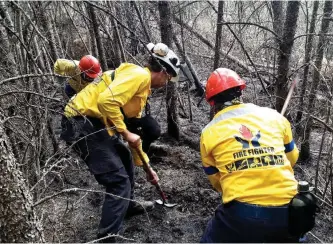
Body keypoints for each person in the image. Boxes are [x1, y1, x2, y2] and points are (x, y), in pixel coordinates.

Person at [60, 42, 180, 241]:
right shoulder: (140, 76)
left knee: (124, 156)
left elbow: (135, 140)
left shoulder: (140, 90)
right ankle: (106, 239)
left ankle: (128, 205)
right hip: (80, 121)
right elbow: (106, 101)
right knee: (118, 182)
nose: (166, 82)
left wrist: (148, 168)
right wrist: (125, 133)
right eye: (168, 77)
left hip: (96, 123)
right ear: (161, 71)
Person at [199, 68, 300, 243]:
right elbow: (292, 158)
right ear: (241, 92)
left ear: (213, 103)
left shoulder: (208, 133)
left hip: (242, 214)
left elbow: (216, 181)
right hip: (290, 210)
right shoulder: (274, 117)